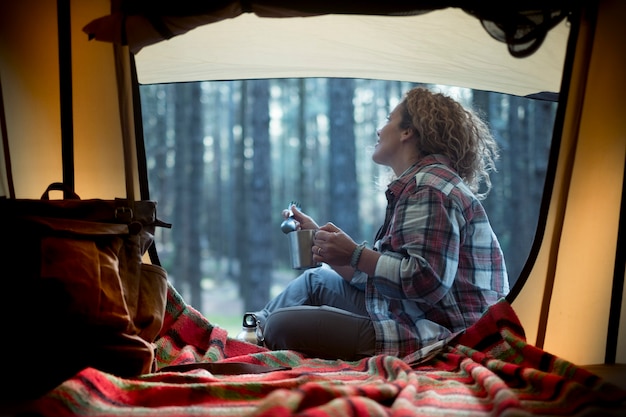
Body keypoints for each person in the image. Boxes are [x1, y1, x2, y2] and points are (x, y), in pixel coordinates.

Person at [252, 86, 509, 361]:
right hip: (414, 314)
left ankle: (254, 340)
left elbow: (425, 280)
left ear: (407, 132)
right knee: (315, 280)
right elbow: (382, 279)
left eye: (388, 119)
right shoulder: (419, 185)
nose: (379, 130)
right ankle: (251, 335)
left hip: (444, 334)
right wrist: (321, 240)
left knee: (280, 324)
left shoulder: (429, 188)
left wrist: (354, 254)